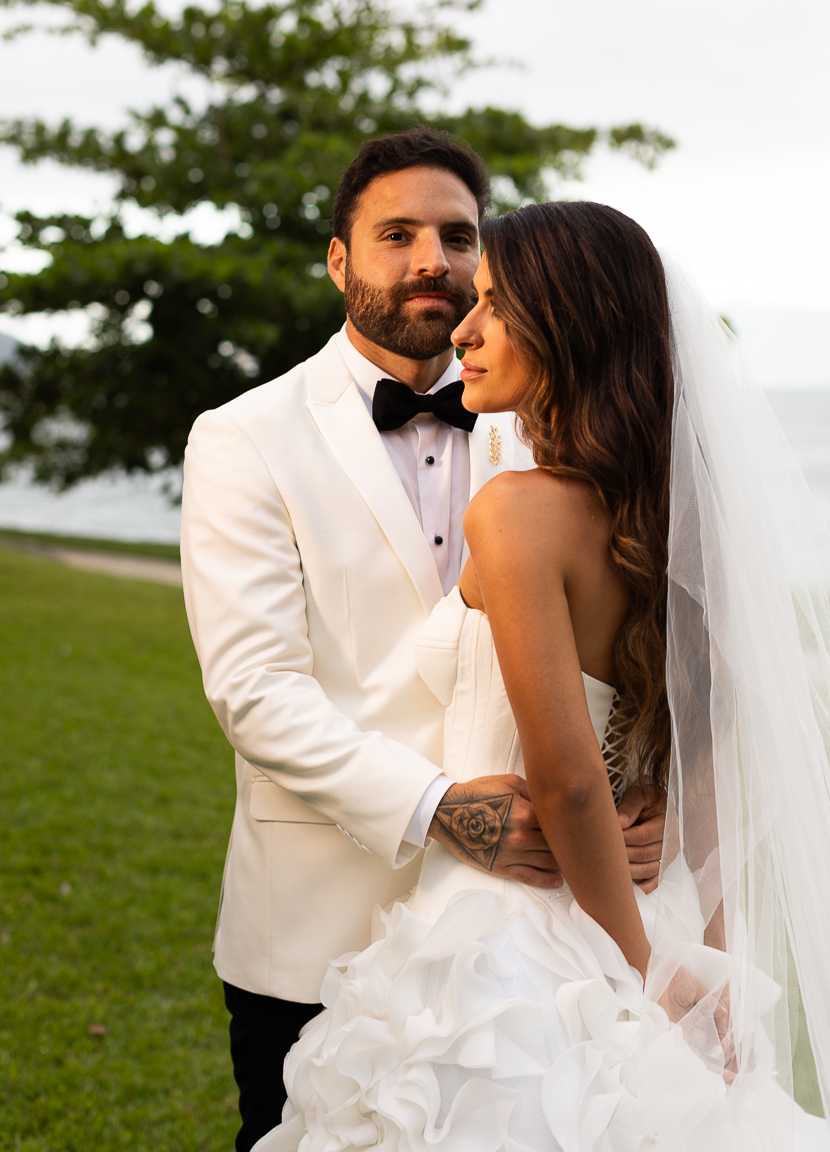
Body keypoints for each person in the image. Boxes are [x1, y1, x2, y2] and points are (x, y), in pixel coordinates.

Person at [253, 201, 830, 1151]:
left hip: (512, 936)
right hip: (652, 910)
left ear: (570, 325)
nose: (465, 329)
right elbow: (711, 760)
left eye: (495, 306)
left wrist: (641, 974)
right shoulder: (678, 523)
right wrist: (705, 964)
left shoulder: (515, 512)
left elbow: (564, 780)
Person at [180, 133, 665, 1150]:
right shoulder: (245, 435)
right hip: (322, 926)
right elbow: (257, 693)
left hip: (543, 937)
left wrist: (651, 798)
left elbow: (634, 654)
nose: (432, 259)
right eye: (396, 234)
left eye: (456, 235)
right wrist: (441, 808)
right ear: (339, 260)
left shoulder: (550, 433)